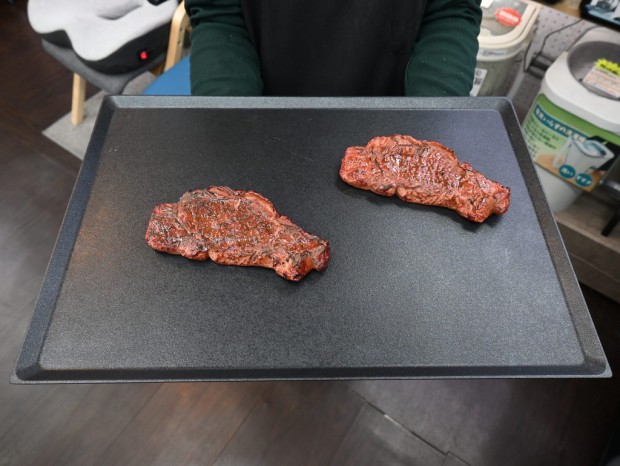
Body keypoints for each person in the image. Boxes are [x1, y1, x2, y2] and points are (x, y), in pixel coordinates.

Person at [185, 0, 481, 97]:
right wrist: (228, 119)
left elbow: (450, 11)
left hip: (397, 106)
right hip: (261, 105)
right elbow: (219, 15)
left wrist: (434, 112)